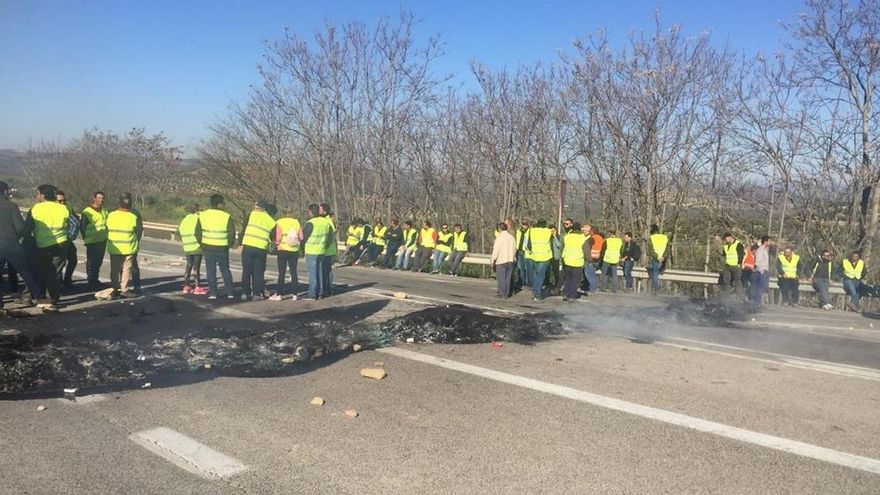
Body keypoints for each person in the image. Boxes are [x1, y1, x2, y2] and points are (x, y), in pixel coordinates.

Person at [22, 184, 69, 310]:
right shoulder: (62, 208)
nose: (36, 196)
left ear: (43, 195)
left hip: (42, 245)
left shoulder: (36, 209)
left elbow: (28, 227)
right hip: (61, 243)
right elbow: (68, 224)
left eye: (37, 194)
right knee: (55, 272)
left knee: (41, 271)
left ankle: (40, 296)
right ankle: (53, 297)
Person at [0, 181, 38, 307]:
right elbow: (20, 228)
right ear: (5, 191)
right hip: (11, 243)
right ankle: (40, 297)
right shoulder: (11, 206)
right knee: (26, 272)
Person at [195, 194, 236, 300]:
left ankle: (213, 293)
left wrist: (202, 243)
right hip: (222, 247)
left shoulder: (203, 215)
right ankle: (230, 292)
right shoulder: (226, 216)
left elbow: (197, 232)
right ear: (219, 204)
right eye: (223, 203)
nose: (224, 205)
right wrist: (229, 245)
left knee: (210, 270)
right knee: (225, 269)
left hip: (207, 246)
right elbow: (231, 232)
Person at [239, 200, 277, 300]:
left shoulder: (252, 215)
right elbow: (273, 237)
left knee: (246, 271)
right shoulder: (272, 221)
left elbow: (244, 228)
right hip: (261, 248)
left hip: (248, 245)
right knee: (258, 272)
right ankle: (256, 294)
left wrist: (240, 242)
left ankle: (244, 292)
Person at [106, 195, 142, 298]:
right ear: (130, 206)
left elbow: (106, 228)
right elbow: (138, 231)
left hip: (115, 247)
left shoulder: (111, 215)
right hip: (128, 247)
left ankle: (114, 288)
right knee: (127, 269)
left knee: (114, 269)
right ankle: (124, 289)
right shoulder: (133, 217)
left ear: (119, 204)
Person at [271, 207, 303, 301]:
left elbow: (278, 237)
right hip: (294, 250)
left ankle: (279, 294)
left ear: (283, 213)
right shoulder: (296, 222)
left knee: (282, 273)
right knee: (293, 272)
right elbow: (301, 237)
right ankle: (295, 295)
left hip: (283, 249)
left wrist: (277, 244)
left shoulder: (280, 222)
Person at [301, 203, 332, 300]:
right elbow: (330, 238)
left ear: (311, 212)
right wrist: (325, 247)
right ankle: (320, 292)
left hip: (311, 251)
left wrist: (302, 250)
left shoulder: (311, 223)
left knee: (313, 274)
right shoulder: (326, 222)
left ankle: (312, 294)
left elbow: (304, 238)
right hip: (321, 251)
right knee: (320, 272)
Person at [80, 191, 108, 289]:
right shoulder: (87, 211)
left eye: (102, 198)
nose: (101, 200)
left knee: (98, 262)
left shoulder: (104, 210)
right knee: (91, 262)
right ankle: (91, 281)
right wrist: (85, 237)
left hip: (102, 240)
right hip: (92, 241)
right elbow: (82, 226)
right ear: (94, 198)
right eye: (99, 198)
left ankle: (95, 280)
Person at [177, 204, 205, 294]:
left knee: (189, 266)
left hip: (187, 246)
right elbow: (200, 231)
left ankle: (186, 286)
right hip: (196, 246)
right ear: (197, 210)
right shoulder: (198, 218)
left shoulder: (184, 219)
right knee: (196, 268)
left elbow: (178, 232)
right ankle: (197, 287)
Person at [54, 190, 80, 288]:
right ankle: (58, 283)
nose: (62, 203)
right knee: (59, 263)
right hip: (53, 239)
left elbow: (76, 222)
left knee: (72, 260)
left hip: (65, 238)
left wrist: (70, 237)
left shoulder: (67, 208)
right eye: (59, 201)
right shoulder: (52, 209)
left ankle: (67, 280)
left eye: (64, 200)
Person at [526, 219, 553, 301]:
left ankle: (534, 292)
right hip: (545, 256)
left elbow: (528, 243)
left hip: (535, 256)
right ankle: (537, 294)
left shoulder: (532, 231)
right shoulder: (548, 231)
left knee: (536, 275)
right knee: (540, 276)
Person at [122, 192, 142, 292]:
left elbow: (139, 229)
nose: (127, 201)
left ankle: (136, 286)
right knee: (122, 267)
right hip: (120, 244)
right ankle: (122, 286)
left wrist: (135, 240)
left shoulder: (134, 213)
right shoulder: (116, 212)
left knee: (133, 266)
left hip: (129, 245)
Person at [490, 222, 516, 299]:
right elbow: (515, 248)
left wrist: (492, 260)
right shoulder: (511, 237)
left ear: (499, 229)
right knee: (508, 278)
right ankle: (507, 293)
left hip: (501, 260)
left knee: (501, 278)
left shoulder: (500, 237)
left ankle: (502, 293)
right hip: (510, 260)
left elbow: (496, 250)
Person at [561, 222, 586, 301]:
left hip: (567, 260)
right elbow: (586, 250)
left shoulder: (567, 237)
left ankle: (565, 293)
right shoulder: (582, 238)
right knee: (575, 279)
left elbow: (563, 247)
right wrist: (589, 259)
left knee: (568, 278)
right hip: (577, 261)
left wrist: (563, 257)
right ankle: (572, 295)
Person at [749, 236, 773, 306]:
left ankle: (759, 302)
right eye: (769, 241)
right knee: (760, 287)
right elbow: (757, 262)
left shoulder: (765, 250)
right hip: (761, 272)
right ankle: (756, 302)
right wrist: (761, 270)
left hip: (765, 271)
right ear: (765, 242)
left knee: (763, 287)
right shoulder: (760, 250)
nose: (770, 243)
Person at [318, 204, 336, 298]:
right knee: (327, 270)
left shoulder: (328, 221)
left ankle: (327, 289)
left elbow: (330, 236)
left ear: (325, 211)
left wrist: (324, 247)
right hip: (327, 250)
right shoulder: (328, 220)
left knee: (325, 271)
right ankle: (328, 289)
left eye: (320, 209)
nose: (318, 211)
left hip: (326, 250)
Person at [720, 233, 745, 297]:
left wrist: (739, 263)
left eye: (726, 239)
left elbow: (741, 255)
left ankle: (740, 297)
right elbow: (725, 254)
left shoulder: (738, 244)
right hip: (727, 265)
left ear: (730, 237)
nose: (725, 241)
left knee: (737, 281)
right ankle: (726, 297)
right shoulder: (726, 246)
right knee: (726, 281)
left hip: (736, 266)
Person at [648, 224, 669, 292]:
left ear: (652, 230)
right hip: (663, 257)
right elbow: (667, 249)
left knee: (655, 272)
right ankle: (662, 269)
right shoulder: (665, 237)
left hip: (655, 257)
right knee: (657, 272)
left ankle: (655, 289)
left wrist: (657, 257)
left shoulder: (651, 238)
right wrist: (663, 256)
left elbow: (650, 250)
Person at [583, 225, 603, 294]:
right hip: (597, 259)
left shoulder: (592, 238)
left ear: (592, 231)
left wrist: (587, 257)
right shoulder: (600, 238)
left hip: (590, 259)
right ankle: (593, 288)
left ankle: (592, 289)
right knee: (593, 274)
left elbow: (585, 246)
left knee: (588, 274)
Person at [515, 221, 531, 290]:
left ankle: (528, 282)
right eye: (523, 224)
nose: (524, 226)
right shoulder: (518, 231)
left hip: (526, 251)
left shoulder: (530, 231)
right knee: (520, 267)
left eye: (526, 225)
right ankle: (522, 281)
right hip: (519, 250)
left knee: (526, 268)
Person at [547, 226, 562, 293]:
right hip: (549, 256)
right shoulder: (548, 238)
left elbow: (559, 245)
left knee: (556, 272)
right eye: (551, 230)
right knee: (548, 271)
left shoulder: (558, 237)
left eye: (554, 230)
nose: (552, 232)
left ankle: (557, 284)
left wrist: (555, 236)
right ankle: (547, 284)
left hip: (555, 257)